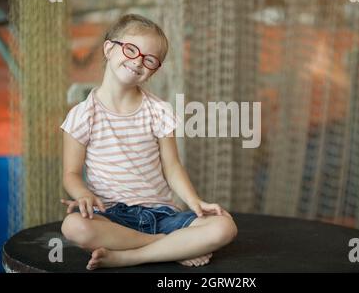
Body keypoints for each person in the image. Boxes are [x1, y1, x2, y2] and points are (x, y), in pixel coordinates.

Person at [59, 14, 237, 270]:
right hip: (111, 217)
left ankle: (129, 256)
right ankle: (169, 246)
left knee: (224, 225)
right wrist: (82, 193)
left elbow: (172, 166)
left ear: (154, 70)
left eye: (150, 59)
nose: (138, 62)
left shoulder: (159, 111)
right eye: (131, 50)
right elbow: (71, 173)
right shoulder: (82, 114)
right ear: (109, 48)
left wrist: (194, 202)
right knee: (73, 226)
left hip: (161, 214)